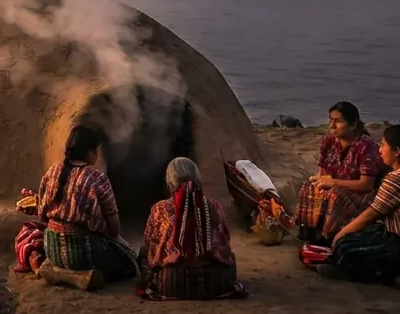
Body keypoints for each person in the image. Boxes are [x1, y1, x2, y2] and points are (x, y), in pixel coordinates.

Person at [319, 125, 400, 289]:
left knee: (345, 248)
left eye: (383, 145)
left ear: (397, 152)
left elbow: (371, 214)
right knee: (363, 235)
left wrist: (339, 237)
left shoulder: (397, 179)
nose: (380, 150)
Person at [33, 124, 139, 289]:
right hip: (83, 251)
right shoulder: (97, 178)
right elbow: (114, 226)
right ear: (90, 151)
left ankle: (57, 272)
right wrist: (116, 240)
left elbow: (41, 214)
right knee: (130, 264)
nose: (97, 154)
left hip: (52, 247)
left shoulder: (53, 170)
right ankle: (83, 276)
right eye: (96, 150)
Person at [138, 157, 249, 300]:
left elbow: (148, 246)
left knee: (143, 256)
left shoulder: (160, 209)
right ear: (197, 178)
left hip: (171, 283)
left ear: (169, 181)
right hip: (216, 282)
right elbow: (225, 240)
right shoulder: (214, 206)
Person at [294, 101, 384, 244]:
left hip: (363, 193)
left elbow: (366, 185)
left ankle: (331, 236)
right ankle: (311, 231)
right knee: (309, 186)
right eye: (331, 120)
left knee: (336, 195)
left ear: (353, 125)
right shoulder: (328, 141)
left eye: (338, 121)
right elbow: (324, 171)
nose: (332, 126)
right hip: (337, 185)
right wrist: (322, 180)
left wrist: (334, 183)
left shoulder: (365, 146)